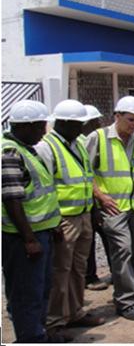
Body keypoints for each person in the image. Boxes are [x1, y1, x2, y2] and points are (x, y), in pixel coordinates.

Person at [35, 100, 105, 333]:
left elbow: (87, 179)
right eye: (76, 124)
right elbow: (45, 188)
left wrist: (93, 210)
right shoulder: (47, 148)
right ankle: (55, 320)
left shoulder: (77, 144)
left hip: (83, 215)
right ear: (62, 123)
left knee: (78, 268)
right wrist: (53, 220)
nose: (81, 128)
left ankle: (75, 312)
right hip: (63, 219)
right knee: (59, 270)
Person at [85, 96, 134, 321]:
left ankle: (131, 291)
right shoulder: (99, 137)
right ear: (117, 116)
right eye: (130, 120)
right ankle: (124, 302)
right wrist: (100, 197)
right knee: (122, 250)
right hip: (112, 206)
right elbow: (85, 171)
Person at [2, 100, 64, 342]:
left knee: (41, 288)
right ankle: (30, 338)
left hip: (42, 231)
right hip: (24, 237)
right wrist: (29, 238)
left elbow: (41, 192)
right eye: (40, 126)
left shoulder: (28, 149)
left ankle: (39, 333)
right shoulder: (9, 153)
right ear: (25, 126)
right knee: (26, 293)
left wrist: (52, 225)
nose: (43, 131)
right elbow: (12, 200)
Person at [81, 105, 111, 291]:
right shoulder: (83, 144)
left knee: (107, 239)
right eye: (96, 121)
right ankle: (89, 277)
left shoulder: (95, 141)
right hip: (88, 202)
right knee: (89, 242)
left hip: (97, 201)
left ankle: (115, 273)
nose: (99, 124)